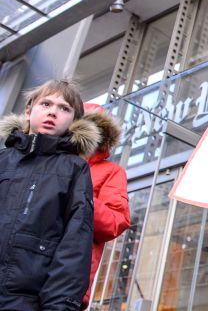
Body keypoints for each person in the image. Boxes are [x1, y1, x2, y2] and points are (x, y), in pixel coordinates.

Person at [0, 79, 97, 310]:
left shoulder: (74, 168)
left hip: (26, 300)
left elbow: (75, 242)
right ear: (28, 111)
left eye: (64, 108)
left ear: (73, 121)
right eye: (46, 104)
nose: (53, 112)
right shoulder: (3, 160)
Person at [81, 103, 131, 309]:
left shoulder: (111, 171)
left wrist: (80, 193)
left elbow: (115, 222)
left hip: (66, 278)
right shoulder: (42, 162)